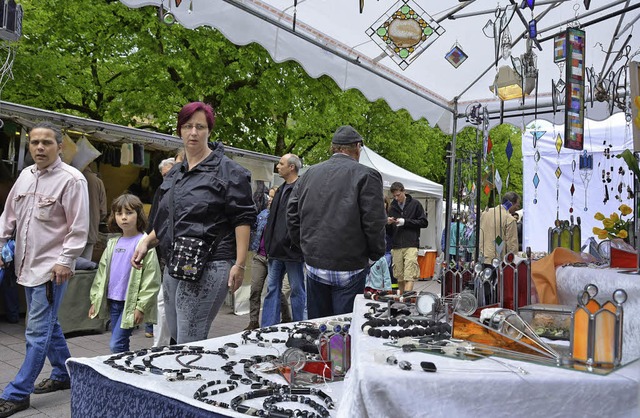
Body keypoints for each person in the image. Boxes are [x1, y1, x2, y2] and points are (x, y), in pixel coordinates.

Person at [132, 102, 256, 344]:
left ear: (209, 130)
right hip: (175, 261)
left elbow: (242, 219)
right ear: (179, 130)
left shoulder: (229, 171)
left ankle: (189, 379)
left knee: (191, 336)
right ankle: (180, 377)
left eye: (200, 126)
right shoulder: (176, 173)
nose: (193, 132)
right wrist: (146, 241)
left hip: (212, 262)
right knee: (177, 335)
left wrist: (240, 264)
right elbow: (170, 218)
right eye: (187, 126)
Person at [0, 122, 89, 417]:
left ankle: (17, 392)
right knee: (49, 326)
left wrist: (65, 260)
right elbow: (9, 216)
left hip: (51, 270)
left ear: (60, 146)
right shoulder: (25, 175)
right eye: (35, 142)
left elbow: (78, 229)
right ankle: (64, 375)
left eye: (46, 142)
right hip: (25, 264)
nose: (39, 147)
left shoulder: (72, 180)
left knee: (36, 332)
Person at [287, 125, 386, 318]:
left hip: (316, 262)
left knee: (319, 326)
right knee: (345, 328)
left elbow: (292, 214)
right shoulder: (367, 175)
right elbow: (374, 222)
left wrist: (303, 247)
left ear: (334, 147)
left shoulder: (309, 174)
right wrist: (375, 254)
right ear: (357, 147)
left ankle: (321, 348)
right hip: (350, 264)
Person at [88, 194, 160, 353]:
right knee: (120, 343)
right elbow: (101, 273)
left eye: (129, 213)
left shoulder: (144, 242)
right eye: (119, 213)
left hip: (131, 303)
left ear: (139, 214)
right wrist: (95, 300)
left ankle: (121, 371)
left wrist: (141, 307)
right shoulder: (113, 242)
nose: (124, 218)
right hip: (114, 301)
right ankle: (124, 371)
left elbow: (151, 278)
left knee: (116, 343)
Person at [261, 154, 306, 327]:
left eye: (281, 164)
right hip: (275, 251)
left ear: (292, 167)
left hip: (292, 251)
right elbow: (272, 220)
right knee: (272, 289)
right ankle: (267, 328)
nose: (278, 166)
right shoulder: (279, 189)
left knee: (296, 289)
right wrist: (269, 245)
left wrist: (295, 243)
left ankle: (299, 326)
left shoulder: (301, 189)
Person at [245, 187, 291, 330]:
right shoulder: (263, 214)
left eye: (272, 197)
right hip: (259, 257)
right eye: (269, 197)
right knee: (255, 290)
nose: (269, 199)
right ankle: (253, 321)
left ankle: (286, 317)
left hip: (274, 259)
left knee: (274, 290)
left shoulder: (283, 216)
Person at [144, 157, 177, 341]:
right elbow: (155, 221)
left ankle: (168, 341)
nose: (167, 178)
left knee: (167, 299)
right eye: (164, 175)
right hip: (162, 250)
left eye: (170, 173)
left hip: (177, 253)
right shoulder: (162, 192)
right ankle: (159, 339)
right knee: (160, 297)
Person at [387, 181, 428, 293]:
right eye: (394, 196)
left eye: (398, 195)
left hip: (411, 243)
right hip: (396, 245)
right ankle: (402, 301)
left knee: (409, 274)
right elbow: (389, 232)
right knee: (399, 276)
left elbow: (424, 222)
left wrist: (406, 222)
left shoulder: (415, 204)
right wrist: (388, 224)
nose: (396, 198)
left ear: (403, 191)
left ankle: (406, 299)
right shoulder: (392, 208)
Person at [479, 192, 521, 263]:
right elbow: (512, 246)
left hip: (481, 257)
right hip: (497, 261)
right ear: (511, 204)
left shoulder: (485, 213)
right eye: (517, 205)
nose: (517, 209)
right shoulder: (509, 219)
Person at [81, 164, 107, 261]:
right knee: (85, 265)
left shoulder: (69, 178)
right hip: (90, 228)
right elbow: (103, 211)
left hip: (70, 232)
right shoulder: (98, 182)